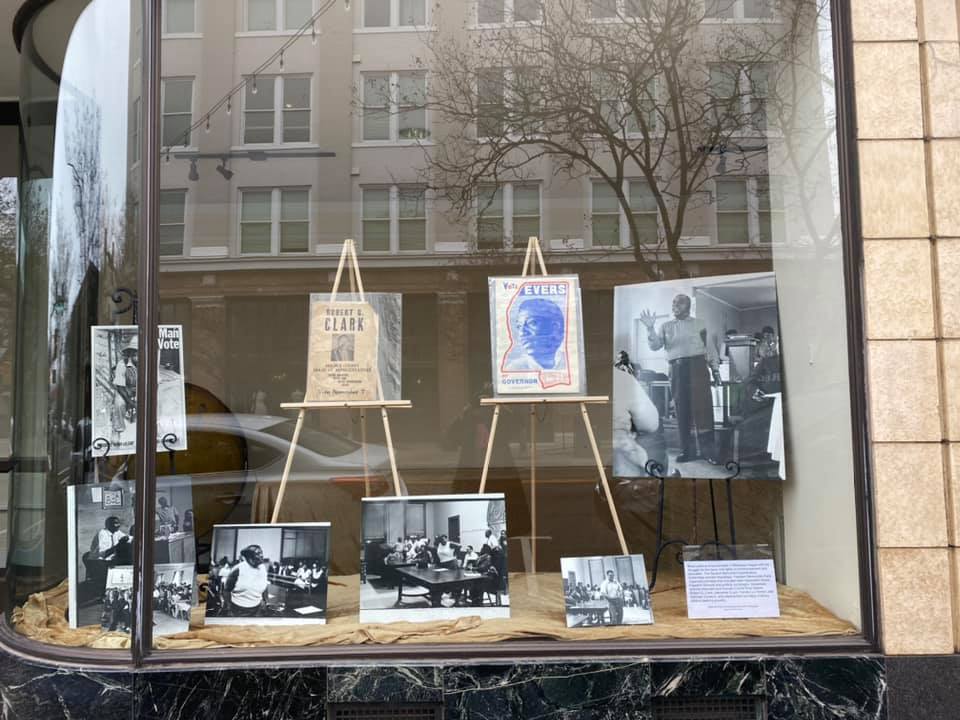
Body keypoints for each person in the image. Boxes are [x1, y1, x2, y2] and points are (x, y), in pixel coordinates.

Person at [640, 294, 720, 464]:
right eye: (673, 302)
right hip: (677, 370)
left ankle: (708, 452)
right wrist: (649, 328)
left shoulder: (700, 324)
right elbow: (654, 346)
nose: (674, 305)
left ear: (688, 306)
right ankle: (688, 451)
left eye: (678, 303)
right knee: (682, 411)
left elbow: (710, 349)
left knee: (703, 410)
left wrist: (716, 371)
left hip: (698, 367)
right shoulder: (666, 326)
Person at [508, 298, 566, 371]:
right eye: (519, 326)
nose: (522, 333)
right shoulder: (515, 368)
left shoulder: (570, 362)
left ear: (555, 326)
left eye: (532, 323)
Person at [83, 516, 131, 592]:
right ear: (108, 525)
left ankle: (120, 590)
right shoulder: (102, 534)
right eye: (115, 523)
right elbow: (104, 554)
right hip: (97, 561)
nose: (118, 525)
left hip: (109, 561)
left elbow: (128, 538)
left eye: (118, 523)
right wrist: (118, 545)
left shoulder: (116, 532)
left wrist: (129, 538)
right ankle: (108, 593)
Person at [224, 545, 270, 617]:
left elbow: (265, 585)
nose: (262, 555)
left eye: (261, 553)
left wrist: (265, 601)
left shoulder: (263, 568)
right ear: (249, 557)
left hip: (258, 609)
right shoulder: (237, 569)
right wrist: (228, 609)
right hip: (238, 610)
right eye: (258, 553)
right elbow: (226, 590)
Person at [110, 336, 138, 439]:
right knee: (119, 403)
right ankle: (118, 428)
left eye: (139, 353)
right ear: (130, 354)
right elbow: (120, 387)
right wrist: (131, 403)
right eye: (134, 353)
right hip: (125, 390)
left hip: (141, 390)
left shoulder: (148, 363)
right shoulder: (122, 364)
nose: (137, 356)